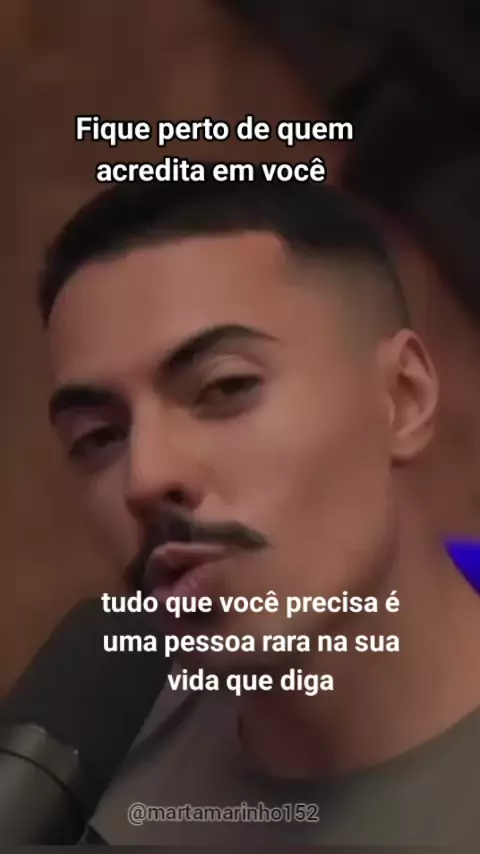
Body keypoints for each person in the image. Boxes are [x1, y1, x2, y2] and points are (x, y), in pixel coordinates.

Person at [38, 175, 480, 846]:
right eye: (99, 438)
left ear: (404, 397)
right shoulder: (82, 759)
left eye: (225, 387)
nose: (146, 477)